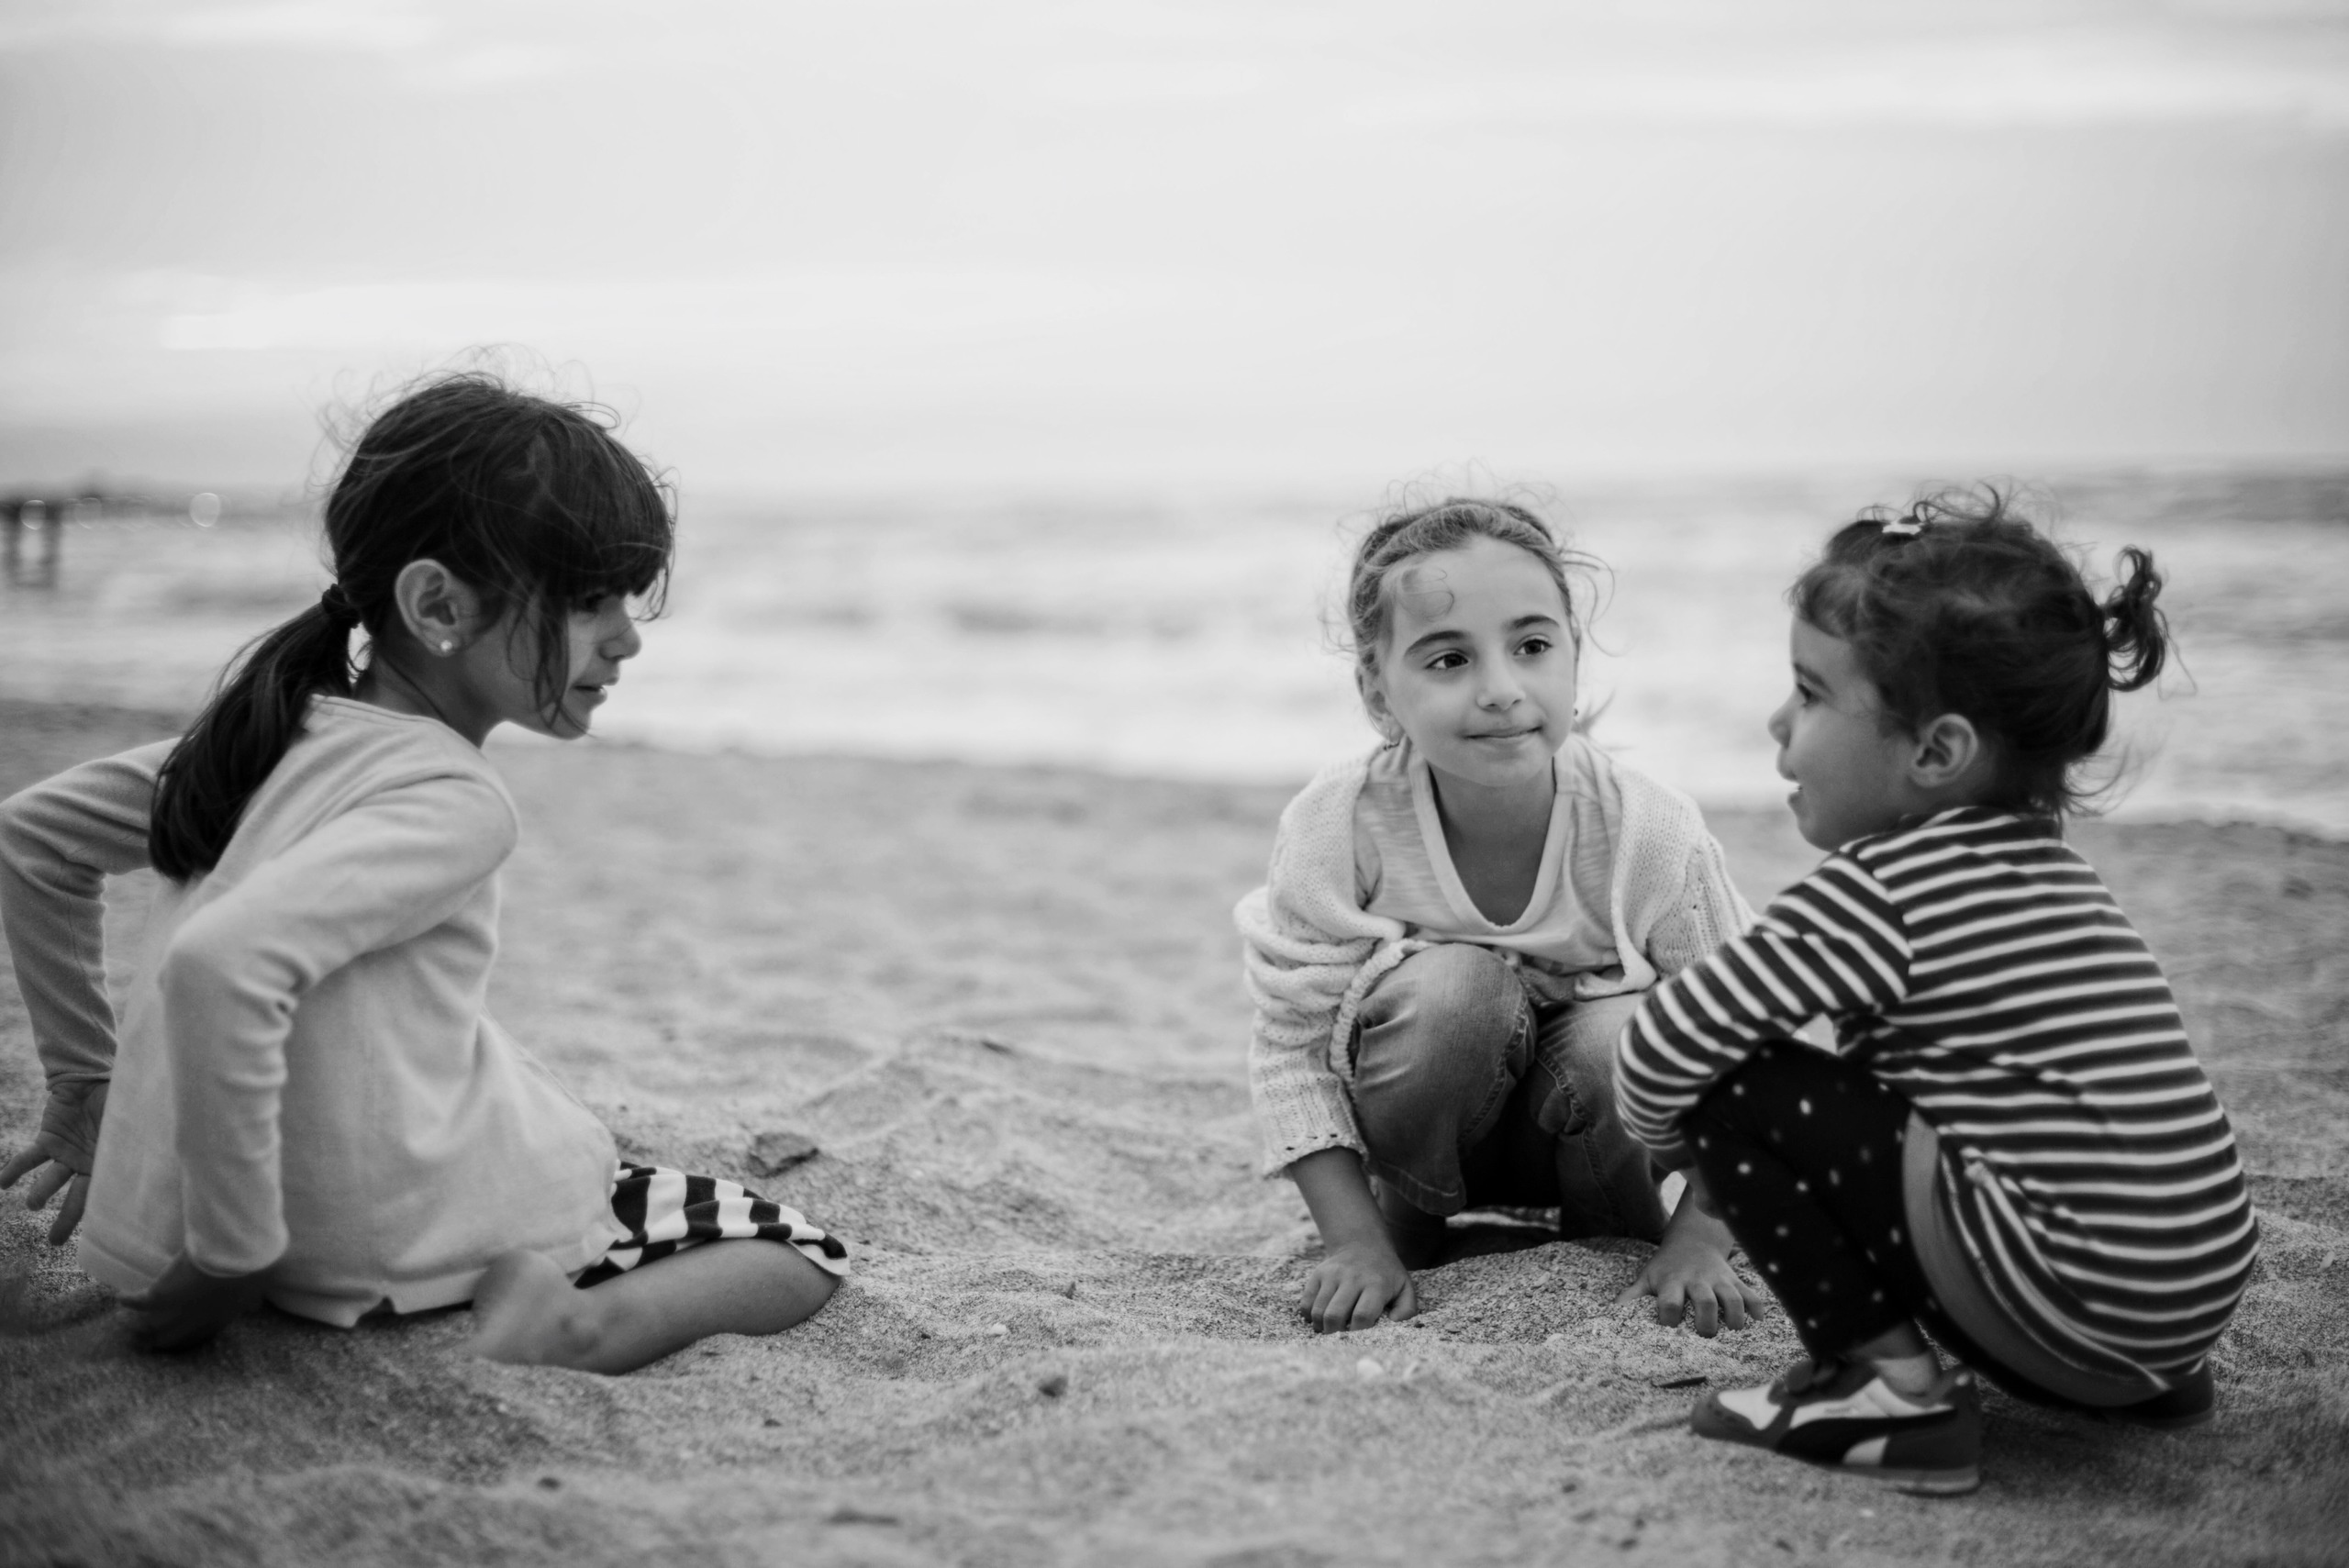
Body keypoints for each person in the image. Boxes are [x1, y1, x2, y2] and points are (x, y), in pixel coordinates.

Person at [0, 373, 847, 1373]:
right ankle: (575, 1326)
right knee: (795, 1246)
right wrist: (233, 1258)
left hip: (204, 1223)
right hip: (367, 1237)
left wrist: (86, 1081)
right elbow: (220, 966)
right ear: (438, 602)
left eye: (628, 598)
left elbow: (29, 839)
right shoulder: (455, 795)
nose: (625, 635)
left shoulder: (260, 738)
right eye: (587, 600)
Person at [1616, 489, 2258, 1496]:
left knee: (1728, 1080)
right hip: (2181, 1308)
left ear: (1935, 752)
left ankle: (1884, 1389)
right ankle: (2144, 1385)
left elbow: (1664, 1038)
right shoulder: (2062, 880)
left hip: (2060, 1305)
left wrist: (1670, 1138)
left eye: (1810, 692)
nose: (1776, 718)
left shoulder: (1885, 888)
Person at [1236, 496, 1763, 1335]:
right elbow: (1291, 1047)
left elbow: (1748, 1044)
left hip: (1596, 1139)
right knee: (1454, 988)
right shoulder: (1340, 824)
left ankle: (1613, 1237)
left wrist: (1704, 1234)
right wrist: (1353, 1241)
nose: (1501, 689)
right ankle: (1410, 1225)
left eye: (1532, 646)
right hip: (1420, 1136)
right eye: (1447, 659)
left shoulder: (1648, 832)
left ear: (1574, 658)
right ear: (1378, 690)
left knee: (1626, 1030)